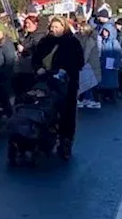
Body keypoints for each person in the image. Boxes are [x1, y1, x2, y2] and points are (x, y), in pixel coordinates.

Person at [32, 16, 85, 159]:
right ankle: (43, 138)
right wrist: (38, 69)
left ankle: (65, 143)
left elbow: (79, 62)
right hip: (47, 81)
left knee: (67, 114)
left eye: (57, 27)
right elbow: (36, 58)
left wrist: (65, 71)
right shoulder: (45, 42)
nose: (54, 30)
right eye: (52, 27)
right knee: (44, 108)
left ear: (64, 27)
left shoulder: (72, 42)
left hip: (67, 84)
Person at [12, 13, 46, 98]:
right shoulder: (30, 35)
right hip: (26, 67)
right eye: (26, 23)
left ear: (36, 24)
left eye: (29, 23)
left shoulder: (39, 36)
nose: (27, 25)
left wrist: (24, 50)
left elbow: (37, 51)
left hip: (32, 68)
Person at [76, 17, 102, 109]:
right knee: (88, 82)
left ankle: (94, 100)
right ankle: (87, 99)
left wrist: (81, 63)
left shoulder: (89, 40)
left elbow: (86, 52)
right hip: (91, 64)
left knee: (89, 82)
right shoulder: (87, 39)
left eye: (82, 29)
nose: (80, 30)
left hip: (90, 64)